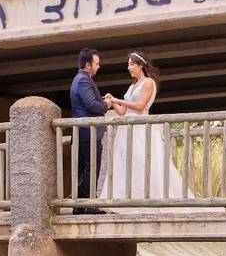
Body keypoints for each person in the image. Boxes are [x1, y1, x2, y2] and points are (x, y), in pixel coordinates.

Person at [100, 51, 186, 208]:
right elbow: (123, 112)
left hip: (140, 128)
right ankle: (126, 200)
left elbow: (140, 107)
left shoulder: (148, 83)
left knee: (142, 161)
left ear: (140, 65)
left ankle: (149, 199)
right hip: (126, 129)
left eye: (131, 64)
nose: (129, 68)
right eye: (128, 64)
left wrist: (119, 100)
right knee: (126, 163)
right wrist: (112, 102)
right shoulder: (132, 86)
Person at [69, 48, 109, 215]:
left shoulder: (79, 79)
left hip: (82, 132)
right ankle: (89, 205)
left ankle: (79, 205)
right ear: (88, 64)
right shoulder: (84, 80)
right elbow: (91, 104)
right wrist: (106, 105)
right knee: (91, 167)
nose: (98, 66)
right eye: (97, 63)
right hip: (88, 132)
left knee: (84, 169)